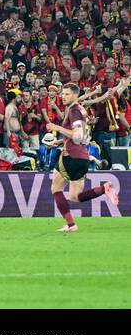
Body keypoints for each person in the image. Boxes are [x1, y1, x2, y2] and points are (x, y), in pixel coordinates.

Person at [47, 82, 119, 232]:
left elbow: (78, 136)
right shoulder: (80, 109)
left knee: (56, 188)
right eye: (63, 93)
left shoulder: (74, 111)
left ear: (74, 95)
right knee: (75, 196)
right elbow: (83, 136)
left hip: (70, 156)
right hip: (82, 157)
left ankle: (71, 225)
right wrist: (61, 140)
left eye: (67, 94)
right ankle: (103, 189)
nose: (63, 96)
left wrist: (57, 128)